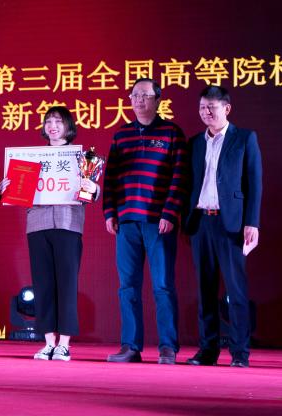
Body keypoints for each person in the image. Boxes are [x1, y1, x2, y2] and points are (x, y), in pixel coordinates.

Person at [0, 106, 97, 361]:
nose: (53, 126)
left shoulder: (82, 158)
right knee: (43, 284)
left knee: (66, 284)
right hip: (38, 224)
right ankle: (48, 342)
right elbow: (15, 193)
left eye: (58, 121)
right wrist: (5, 188)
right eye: (49, 121)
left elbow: (93, 193)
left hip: (68, 224)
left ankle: (64, 343)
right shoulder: (32, 158)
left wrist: (92, 187)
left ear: (68, 126)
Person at [102, 78, 187, 365]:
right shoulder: (121, 135)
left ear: (158, 100)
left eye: (145, 95)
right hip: (126, 221)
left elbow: (179, 177)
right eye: (134, 95)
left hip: (158, 221)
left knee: (162, 286)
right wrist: (110, 212)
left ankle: (167, 347)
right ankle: (130, 346)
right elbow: (110, 177)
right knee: (127, 286)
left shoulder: (172, 133)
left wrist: (169, 213)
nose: (139, 100)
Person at [185, 85, 262, 368]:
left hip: (231, 224)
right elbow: (189, 183)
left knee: (235, 291)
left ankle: (240, 353)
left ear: (227, 108)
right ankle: (208, 350)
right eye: (202, 107)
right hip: (201, 222)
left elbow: (254, 183)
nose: (206, 112)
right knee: (205, 290)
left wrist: (252, 222)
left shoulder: (244, 138)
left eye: (212, 107)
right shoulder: (195, 142)